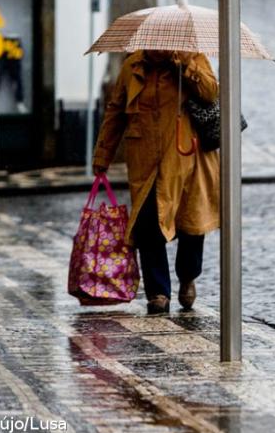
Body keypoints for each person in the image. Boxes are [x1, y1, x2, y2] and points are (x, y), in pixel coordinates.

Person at [92, 49, 220, 315]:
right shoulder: (133, 66)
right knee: (148, 224)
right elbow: (116, 111)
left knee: (190, 224)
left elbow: (210, 92)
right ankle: (158, 292)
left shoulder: (191, 58)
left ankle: (187, 276)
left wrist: (185, 66)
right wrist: (103, 154)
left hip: (187, 157)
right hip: (145, 160)